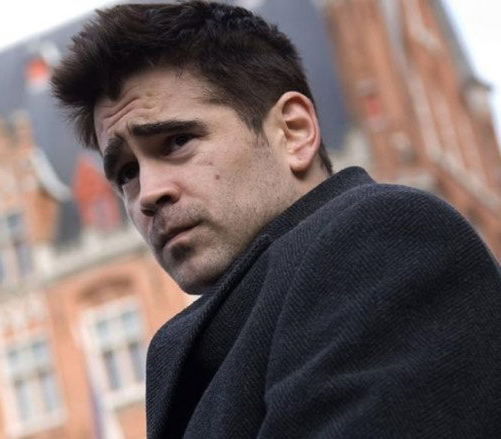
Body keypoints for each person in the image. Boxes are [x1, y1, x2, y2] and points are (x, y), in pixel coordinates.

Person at [51, 1, 501, 437]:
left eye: (178, 141)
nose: (148, 194)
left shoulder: (383, 241)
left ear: (294, 131)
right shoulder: (218, 335)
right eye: (126, 173)